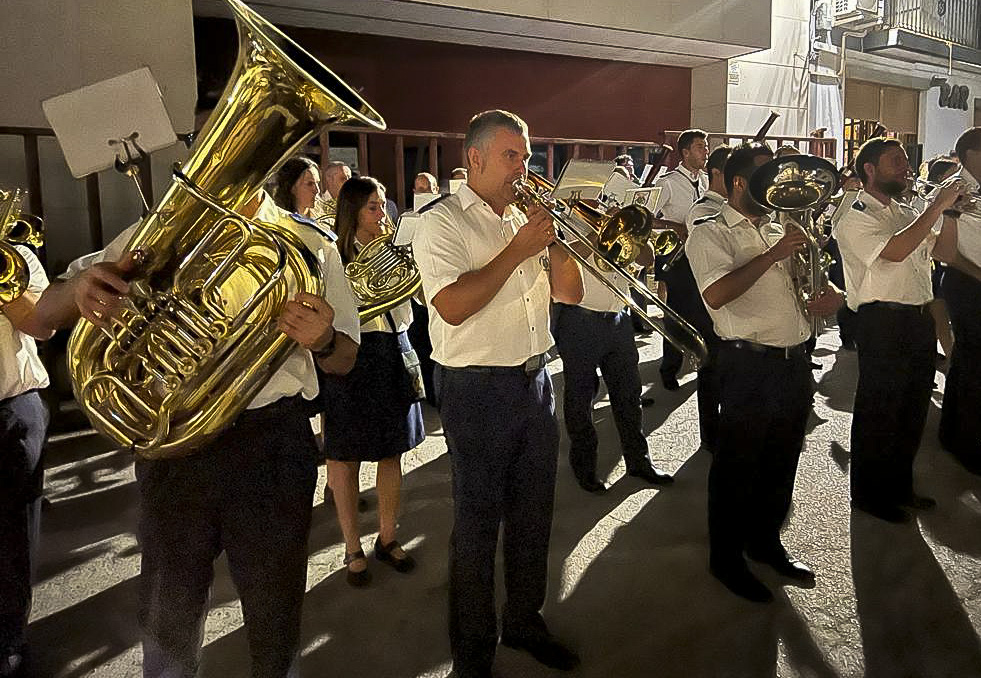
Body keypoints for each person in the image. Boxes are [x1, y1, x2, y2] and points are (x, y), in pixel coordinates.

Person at [33, 188, 361, 678]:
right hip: (175, 442)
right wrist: (80, 288)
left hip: (271, 442)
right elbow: (44, 313)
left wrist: (325, 339)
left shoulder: (310, 243)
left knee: (275, 610)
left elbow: (345, 359)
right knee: (169, 611)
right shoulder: (156, 233)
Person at [412, 110, 583, 678]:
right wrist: (518, 250)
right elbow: (454, 306)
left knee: (535, 517)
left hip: (535, 381)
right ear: (475, 159)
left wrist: (558, 243)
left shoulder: (524, 218)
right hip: (476, 391)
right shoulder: (441, 223)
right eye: (513, 156)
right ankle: (472, 656)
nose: (524, 167)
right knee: (478, 529)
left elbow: (570, 292)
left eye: (527, 156)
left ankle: (525, 620)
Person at [686, 143, 843, 603]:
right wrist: (772, 254)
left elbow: (817, 279)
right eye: (765, 176)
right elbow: (716, 295)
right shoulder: (710, 233)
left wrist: (831, 296)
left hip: (794, 361)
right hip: (747, 363)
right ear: (739, 183)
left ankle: (766, 541)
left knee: (782, 458)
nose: (778, 185)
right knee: (738, 463)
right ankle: (726, 558)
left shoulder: (782, 226)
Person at [835, 137, 964, 524]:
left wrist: (952, 216)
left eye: (906, 161)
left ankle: (898, 486)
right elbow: (893, 252)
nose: (906, 168)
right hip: (882, 320)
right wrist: (937, 205)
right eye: (896, 162)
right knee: (881, 409)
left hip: (917, 318)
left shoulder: (905, 211)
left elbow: (943, 254)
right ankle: (870, 495)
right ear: (870, 170)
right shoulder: (856, 214)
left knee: (911, 409)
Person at [321, 176, 425, 587]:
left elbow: (417, 298)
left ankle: (387, 536)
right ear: (352, 212)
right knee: (343, 458)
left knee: (391, 452)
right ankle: (352, 548)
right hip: (351, 355)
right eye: (373, 208)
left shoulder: (396, 251)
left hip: (395, 349)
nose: (383, 215)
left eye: (384, 205)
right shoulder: (333, 256)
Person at [552, 221, 673, 493]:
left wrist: (630, 230)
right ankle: (585, 466)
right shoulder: (562, 221)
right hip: (579, 319)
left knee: (629, 393)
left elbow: (647, 259)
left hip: (618, 318)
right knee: (581, 397)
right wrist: (595, 235)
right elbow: (555, 263)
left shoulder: (614, 216)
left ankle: (638, 461)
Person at [0, 244, 53, 678]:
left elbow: (42, 325)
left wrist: (5, 287)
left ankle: (8, 641)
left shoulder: (14, 255)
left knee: (12, 540)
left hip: (11, 409)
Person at [683, 144, 732, 454]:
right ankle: (709, 436)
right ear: (717, 174)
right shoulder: (702, 209)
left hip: (731, 309)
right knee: (710, 373)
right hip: (706, 308)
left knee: (727, 374)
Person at [939, 128, 981, 476]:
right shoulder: (954, 189)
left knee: (968, 359)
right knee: (974, 362)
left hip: (974, 279)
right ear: (971, 155)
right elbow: (945, 251)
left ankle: (953, 433)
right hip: (966, 279)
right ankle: (967, 444)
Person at [653, 129, 709, 389]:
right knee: (676, 314)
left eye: (706, 147)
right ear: (685, 152)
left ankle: (701, 359)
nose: (705, 152)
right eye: (700, 147)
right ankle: (670, 367)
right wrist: (674, 226)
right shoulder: (669, 182)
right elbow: (647, 217)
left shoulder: (707, 181)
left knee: (705, 310)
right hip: (677, 256)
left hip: (704, 254)